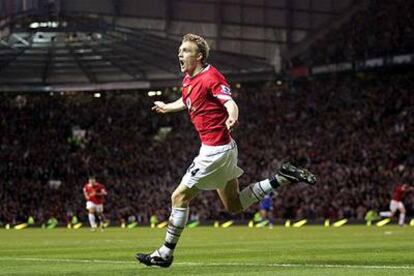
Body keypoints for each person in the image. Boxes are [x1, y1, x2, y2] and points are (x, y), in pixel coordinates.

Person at [136, 33, 316, 268]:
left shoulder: (211, 76)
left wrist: (232, 116)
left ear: (199, 56)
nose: (180, 54)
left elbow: (229, 101)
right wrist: (168, 107)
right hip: (224, 148)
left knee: (178, 197)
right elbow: (186, 100)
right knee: (234, 205)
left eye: (186, 50)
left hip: (215, 150)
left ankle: (165, 253)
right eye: (180, 50)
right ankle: (281, 178)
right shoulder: (188, 79)